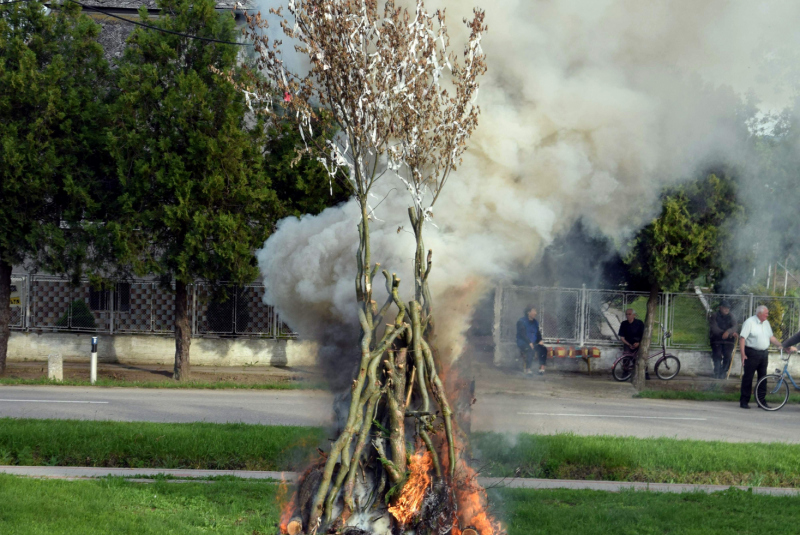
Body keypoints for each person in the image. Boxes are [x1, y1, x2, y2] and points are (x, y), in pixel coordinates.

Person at [739, 305, 783, 409]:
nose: (767, 315)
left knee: (763, 378)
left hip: (764, 354)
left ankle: (761, 401)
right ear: (759, 313)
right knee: (748, 377)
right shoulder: (749, 322)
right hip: (751, 353)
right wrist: (743, 354)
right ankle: (744, 401)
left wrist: (780, 345)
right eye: (766, 313)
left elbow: (771, 337)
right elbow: (742, 338)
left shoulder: (766, 323)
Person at [709, 300, 739, 379]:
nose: (727, 309)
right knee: (717, 355)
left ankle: (723, 372)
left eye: (728, 308)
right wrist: (724, 333)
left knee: (728, 355)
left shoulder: (731, 316)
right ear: (720, 307)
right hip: (716, 339)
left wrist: (728, 332)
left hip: (729, 341)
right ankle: (717, 372)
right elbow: (714, 328)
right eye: (725, 308)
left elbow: (735, 326)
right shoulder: (714, 316)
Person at [516, 305, 547, 375]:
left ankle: (541, 368)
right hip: (523, 342)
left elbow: (538, 333)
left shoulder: (535, 322)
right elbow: (522, 334)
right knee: (530, 349)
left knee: (543, 349)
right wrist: (529, 342)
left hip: (533, 342)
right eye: (534, 311)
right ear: (528, 312)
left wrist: (540, 340)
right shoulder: (521, 321)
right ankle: (528, 369)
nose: (535, 313)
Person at [618, 308, 648, 379]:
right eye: (626, 314)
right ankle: (625, 372)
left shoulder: (639, 323)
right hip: (628, 343)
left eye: (629, 314)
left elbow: (644, 335)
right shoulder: (624, 324)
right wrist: (628, 344)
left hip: (638, 343)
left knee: (641, 356)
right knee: (626, 356)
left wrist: (638, 343)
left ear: (634, 315)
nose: (627, 316)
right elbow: (622, 338)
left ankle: (645, 373)